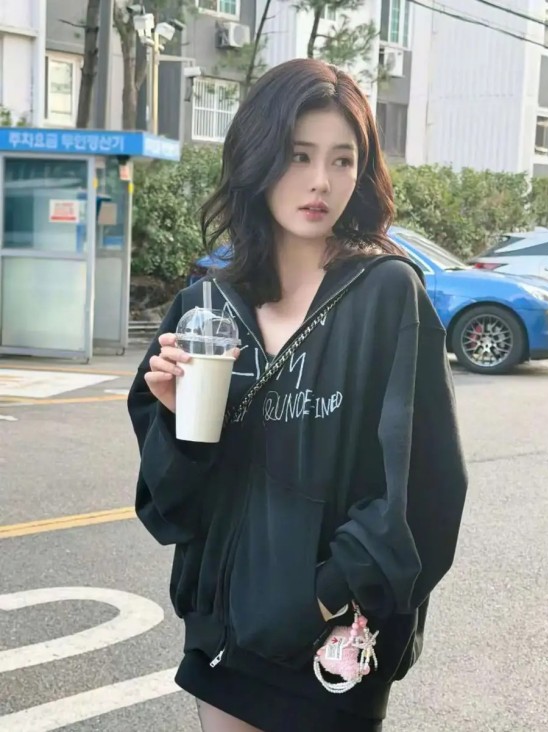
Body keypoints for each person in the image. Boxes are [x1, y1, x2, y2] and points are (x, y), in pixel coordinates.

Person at [128, 58, 468, 732]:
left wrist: (319, 598)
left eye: (343, 160)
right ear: (257, 157)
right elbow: (173, 508)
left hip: (333, 639)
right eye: (299, 155)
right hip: (225, 634)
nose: (321, 182)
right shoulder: (206, 308)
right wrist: (179, 427)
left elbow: (424, 487)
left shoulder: (386, 294)